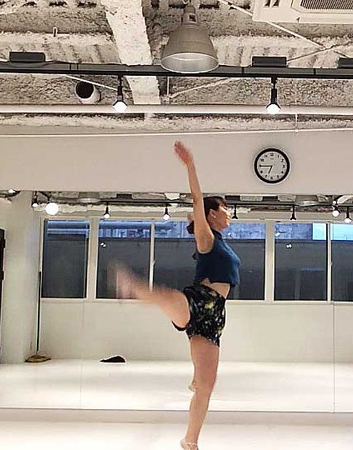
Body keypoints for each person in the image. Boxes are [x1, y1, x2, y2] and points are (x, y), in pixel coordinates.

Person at [114, 141, 240, 450]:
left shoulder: (222, 243)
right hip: (198, 300)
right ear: (211, 214)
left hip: (215, 314)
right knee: (172, 301)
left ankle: (190, 441)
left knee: (206, 387)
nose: (229, 213)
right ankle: (133, 287)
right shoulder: (207, 238)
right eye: (224, 208)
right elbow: (197, 198)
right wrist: (190, 165)